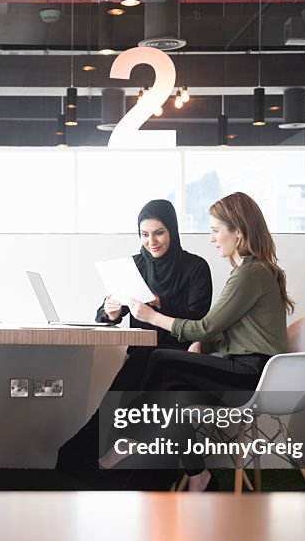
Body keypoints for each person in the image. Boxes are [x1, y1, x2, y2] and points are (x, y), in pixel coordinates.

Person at [124, 191, 293, 492]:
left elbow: (205, 325)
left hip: (251, 375)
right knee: (172, 394)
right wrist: (202, 344)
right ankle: (200, 477)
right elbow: (221, 331)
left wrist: (153, 317)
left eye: (216, 230)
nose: (212, 238)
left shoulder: (249, 274)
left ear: (238, 233)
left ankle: (132, 434)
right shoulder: (249, 272)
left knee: (160, 358)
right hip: (243, 369)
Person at [54, 199, 212, 490]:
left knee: (138, 396)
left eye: (159, 233)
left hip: (181, 358)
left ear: (173, 231)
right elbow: (105, 316)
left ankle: (121, 458)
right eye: (144, 234)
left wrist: (161, 306)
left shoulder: (196, 267)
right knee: (124, 396)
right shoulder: (134, 266)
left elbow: (200, 321)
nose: (151, 241)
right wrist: (110, 311)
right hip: (142, 355)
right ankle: (106, 460)